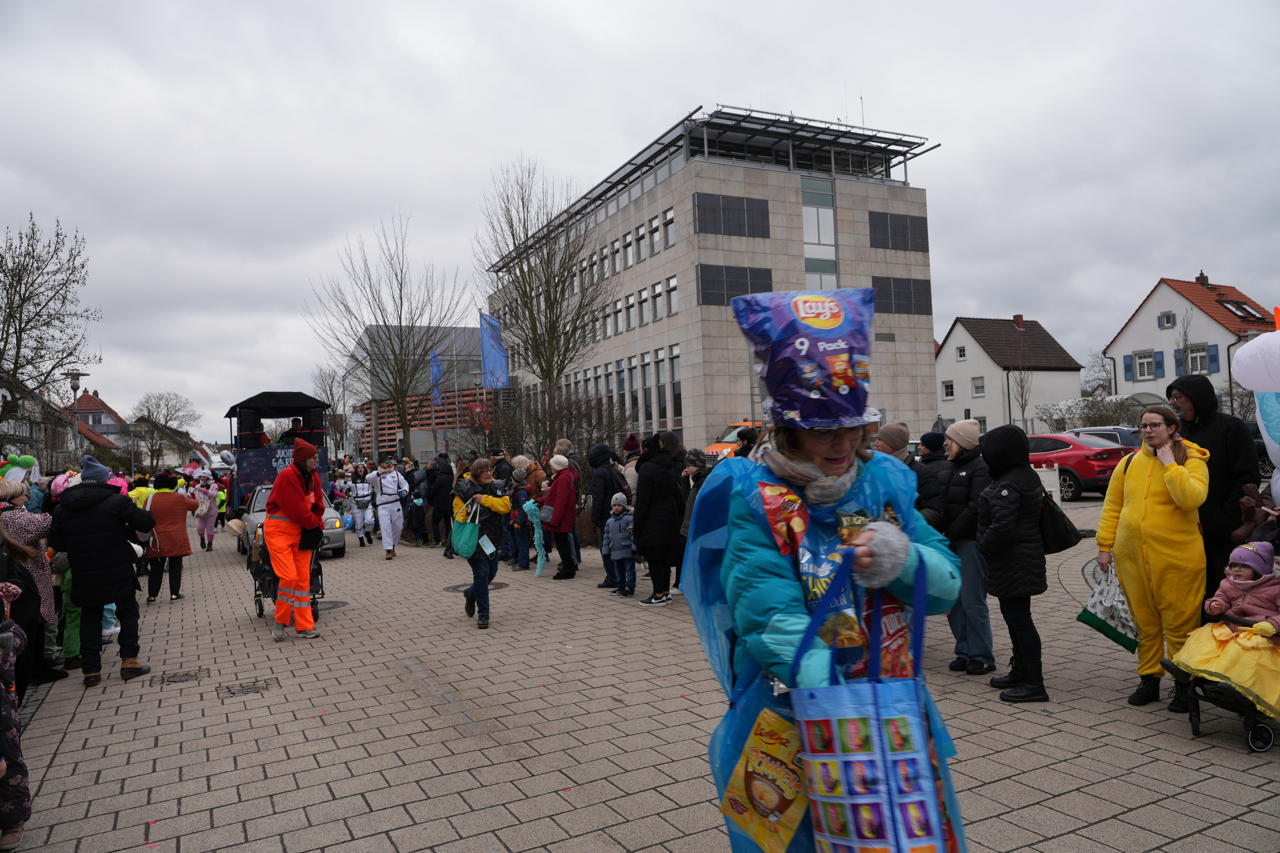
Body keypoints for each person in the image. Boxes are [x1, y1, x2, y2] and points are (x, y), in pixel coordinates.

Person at [682, 290, 963, 851]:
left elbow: (946, 585)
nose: (841, 443)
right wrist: (829, 685)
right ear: (789, 429)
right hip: (794, 712)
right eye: (822, 429)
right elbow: (766, 611)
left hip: (890, 710)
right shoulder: (756, 496)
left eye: (852, 426)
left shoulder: (886, 481)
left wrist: (902, 558)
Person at [1096, 405, 1208, 710]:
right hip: (1131, 557)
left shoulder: (1193, 460)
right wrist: (1105, 546)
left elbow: (1192, 498)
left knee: (1180, 625)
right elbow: (1113, 506)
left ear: (1172, 428)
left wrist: (1171, 464)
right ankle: (1149, 679)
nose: (1148, 431)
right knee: (1145, 624)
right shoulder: (1129, 462)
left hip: (1178, 558)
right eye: (1143, 426)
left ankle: (1184, 684)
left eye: (1155, 425)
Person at [48, 456, 155, 687]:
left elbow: (57, 542)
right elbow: (146, 522)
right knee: (127, 612)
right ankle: (129, 662)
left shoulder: (62, 508)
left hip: (84, 571)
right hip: (117, 568)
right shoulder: (117, 502)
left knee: (89, 617)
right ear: (103, 479)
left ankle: (91, 670)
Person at [1166, 375, 1261, 598]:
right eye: (1170, 397)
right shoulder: (1178, 433)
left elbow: (1247, 477)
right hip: (1185, 528)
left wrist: (1223, 518)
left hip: (1221, 529)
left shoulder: (1231, 427)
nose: (1172, 402)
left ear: (1196, 398)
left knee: (1218, 590)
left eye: (1177, 397)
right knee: (1189, 589)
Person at [975, 426, 1049, 703]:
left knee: (1021, 622)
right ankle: (1021, 672)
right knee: (1016, 619)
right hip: (1018, 560)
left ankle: (1034, 683)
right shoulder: (1021, 475)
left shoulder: (1010, 483)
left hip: (1014, 561)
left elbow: (1002, 527)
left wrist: (982, 545)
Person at [939, 418, 995, 675]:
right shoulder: (952, 466)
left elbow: (975, 507)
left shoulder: (980, 467)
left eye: (950, 439)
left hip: (970, 542)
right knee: (953, 599)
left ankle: (981, 654)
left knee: (972, 600)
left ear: (962, 442)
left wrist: (950, 532)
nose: (945, 443)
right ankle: (964, 650)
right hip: (951, 541)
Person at [0, 482, 65, 684]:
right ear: (12, 496)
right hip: (28, 573)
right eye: (23, 495)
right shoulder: (15, 516)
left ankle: (34, 666)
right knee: (34, 623)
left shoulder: (5, 514)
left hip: (14, 574)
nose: (27, 498)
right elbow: (50, 523)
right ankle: (35, 669)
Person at [264, 439, 325, 641]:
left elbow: (318, 504)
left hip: (301, 532)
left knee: (302, 580)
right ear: (302, 459)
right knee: (289, 577)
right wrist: (315, 525)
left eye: (316, 457)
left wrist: (317, 523)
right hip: (279, 532)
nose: (316, 460)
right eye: (312, 457)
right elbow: (296, 508)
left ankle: (305, 626)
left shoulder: (313, 477)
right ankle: (280, 622)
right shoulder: (287, 476)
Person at [454, 459, 511, 630]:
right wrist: (469, 524)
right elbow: (459, 514)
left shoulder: (496, 486)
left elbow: (505, 506)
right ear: (476, 472)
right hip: (473, 539)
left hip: (492, 538)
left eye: (490, 469)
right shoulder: (463, 487)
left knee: (491, 573)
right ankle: (483, 615)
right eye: (485, 470)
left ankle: (471, 593)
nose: (489, 473)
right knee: (482, 573)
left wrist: (483, 499)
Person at [0, 561, 31, 851]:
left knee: (9, 764)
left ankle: (13, 820)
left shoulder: (7, 636)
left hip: (3, 710)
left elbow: (18, 639)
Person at [634, 433, 686, 607]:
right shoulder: (669, 466)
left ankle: (658, 594)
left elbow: (642, 501)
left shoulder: (647, 468)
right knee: (663, 558)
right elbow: (678, 494)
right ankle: (664, 592)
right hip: (670, 519)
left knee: (655, 559)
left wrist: (638, 525)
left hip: (652, 520)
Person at [876, 422, 944, 529]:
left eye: (880, 440)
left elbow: (934, 511)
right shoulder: (875, 470)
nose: (876, 444)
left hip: (911, 538)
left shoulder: (922, 472)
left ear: (892, 443)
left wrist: (906, 520)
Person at [144, 472, 197, 603]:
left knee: (156, 567)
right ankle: (174, 593)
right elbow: (195, 505)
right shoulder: (179, 498)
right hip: (176, 537)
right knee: (175, 565)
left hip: (157, 538)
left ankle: (152, 595)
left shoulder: (150, 498)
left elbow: (144, 514)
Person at [1204, 541, 1280, 624]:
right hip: (1230, 626)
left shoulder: (1275, 588)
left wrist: (1272, 625)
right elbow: (1221, 597)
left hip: (1261, 631)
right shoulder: (1228, 584)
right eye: (1233, 565)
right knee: (1200, 636)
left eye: (1244, 566)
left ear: (1259, 569)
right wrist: (1215, 605)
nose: (1237, 569)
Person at [540, 455, 579, 579]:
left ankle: (568, 569)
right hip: (562, 516)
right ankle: (569, 567)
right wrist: (539, 500)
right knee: (563, 543)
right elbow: (556, 496)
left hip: (561, 518)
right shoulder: (564, 476)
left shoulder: (563, 478)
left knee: (563, 544)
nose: (550, 468)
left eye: (552, 465)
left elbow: (560, 501)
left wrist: (554, 520)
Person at [588, 443, 621, 589]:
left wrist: (594, 518)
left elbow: (598, 498)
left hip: (604, 516)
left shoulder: (598, 473)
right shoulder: (612, 470)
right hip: (615, 513)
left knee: (606, 548)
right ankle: (619, 576)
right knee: (616, 548)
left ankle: (612, 577)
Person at [368, 459, 410, 559]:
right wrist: (379, 473)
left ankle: (393, 545)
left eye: (389, 463)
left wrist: (404, 490)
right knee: (385, 527)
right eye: (385, 462)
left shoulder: (396, 474)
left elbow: (405, 484)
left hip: (395, 503)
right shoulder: (376, 475)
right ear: (381, 463)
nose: (388, 464)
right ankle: (388, 550)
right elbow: (368, 478)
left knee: (398, 526)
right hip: (383, 505)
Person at [602, 492, 636, 597]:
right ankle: (621, 586)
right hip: (615, 550)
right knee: (618, 571)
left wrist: (634, 547)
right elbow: (606, 537)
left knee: (629, 570)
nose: (616, 507)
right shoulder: (609, 521)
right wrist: (606, 550)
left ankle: (630, 587)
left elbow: (633, 535)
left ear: (624, 506)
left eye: (619, 505)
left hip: (627, 549)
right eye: (614, 505)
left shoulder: (629, 519)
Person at [507, 458, 533, 570]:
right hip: (515, 519)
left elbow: (524, 508)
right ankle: (517, 559)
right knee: (517, 541)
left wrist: (519, 521)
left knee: (522, 542)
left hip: (520, 521)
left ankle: (523, 563)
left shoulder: (521, 492)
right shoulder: (516, 489)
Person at [192, 471, 219, 552]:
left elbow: (214, 495)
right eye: (201, 477)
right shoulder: (197, 486)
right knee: (200, 528)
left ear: (208, 477)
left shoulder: (214, 485)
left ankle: (209, 544)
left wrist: (204, 490)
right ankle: (202, 538)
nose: (202, 478)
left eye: (204, 476)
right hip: (201, 509)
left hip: (211, 510)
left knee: (210, 527)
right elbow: (196, 496)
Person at [349, 463, 375, 547]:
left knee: (370, 521)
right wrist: (345, 480)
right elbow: (343, 485)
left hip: (367, 502)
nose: (360, 469)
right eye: (359, 468)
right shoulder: (352, 479)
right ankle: (361, 539)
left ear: (364, 469)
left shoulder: (369, 479)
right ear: (356, 470)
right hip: (356, 504)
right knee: (358, 523)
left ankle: (367, 533)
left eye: (362, 468)